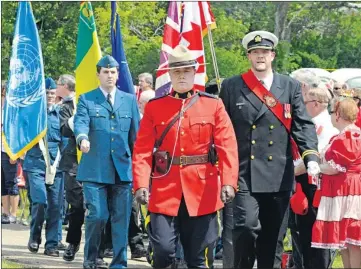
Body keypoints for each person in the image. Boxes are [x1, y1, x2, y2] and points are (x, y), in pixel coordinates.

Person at [219, 30, 321, 269]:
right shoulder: (233, 86)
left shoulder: (289, 86)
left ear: (273, 55)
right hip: (244, 173)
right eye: (255, 52)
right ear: (249, 56)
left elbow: (302, 125)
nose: (260, 56)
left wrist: (311, 156)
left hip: (278, 173)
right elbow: (223, 129)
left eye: (264, 52)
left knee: (273, 237)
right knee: (245, 229)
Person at [132, 45, 239, 268]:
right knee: (162, 251)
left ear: (195, 72)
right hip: (164, 189)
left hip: (202, 191)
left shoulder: (213, 105)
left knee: (198, 258)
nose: (182, 76)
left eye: (186, 71)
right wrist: (141, 184)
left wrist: (229, 181)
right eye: (177, 72)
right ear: (169, 75)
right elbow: (142, 150)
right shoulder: (155, 107)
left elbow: (227, 146)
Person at [74, 55, 140, 269]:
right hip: (95, 169)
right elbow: (81, 123)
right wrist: (82, 138)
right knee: (98, 215)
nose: (110, 75)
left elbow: (136, 137)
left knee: (121, 219)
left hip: (122, 170)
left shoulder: (129, 100)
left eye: (113, 72)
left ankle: (119, 263)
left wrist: (139, 169)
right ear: (98, 75)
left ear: (118, 75)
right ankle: (91, 259)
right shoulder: (87, 99)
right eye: (105, 72)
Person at [312, 97, 361, 268]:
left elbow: (336, 167)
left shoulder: (349, 135)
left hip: (348, 190)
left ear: (338, 115)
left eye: (332, 112)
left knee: (353, 241)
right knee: (346, 242)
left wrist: (317, 167)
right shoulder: (345, 135)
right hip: (344, 190)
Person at [292, 87, 339, 268]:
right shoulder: (312, 123)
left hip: (316, 184)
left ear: (316, 104)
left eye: (304, 103)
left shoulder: (324, 126)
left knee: (316, 236)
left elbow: (315, 157)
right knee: (304, 234)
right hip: (306, 184)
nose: (301, 107)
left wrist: (290, 172)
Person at [24, 77, 64, 257]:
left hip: (56, 167)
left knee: (56, 207)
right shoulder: (33, 115)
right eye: (47, 93)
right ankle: (34, 236)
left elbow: (66, 140)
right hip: (36, 164)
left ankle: (52, 245)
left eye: (52, 93)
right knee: (40, 202)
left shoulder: (61, 115)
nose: (49, 96)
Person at [57, 74, 85, 262]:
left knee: (99, 208)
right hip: (74, 161)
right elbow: (64, 130)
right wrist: (79, 114)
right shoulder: (67, 107)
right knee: (77, 206)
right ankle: (73, 243)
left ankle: (101, 247)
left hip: (95, 160)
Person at [1, 81, 20, 225]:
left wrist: (16, 153)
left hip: (10, 151)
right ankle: (5, 213)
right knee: (2, 183)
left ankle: (13, 214)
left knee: (11, 182)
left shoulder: (15, 111)